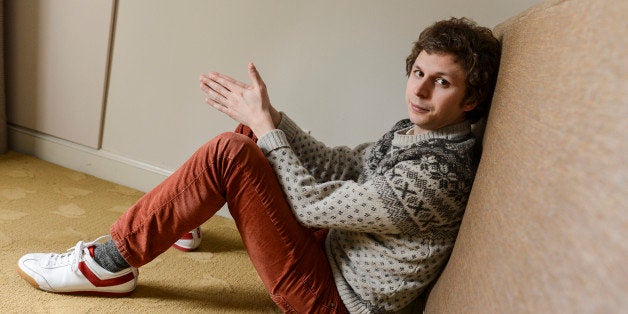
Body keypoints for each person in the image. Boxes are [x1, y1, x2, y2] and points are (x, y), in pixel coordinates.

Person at [17, 17, 500, 312]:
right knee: (251, 134)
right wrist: (269, 119)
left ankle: (109, 266)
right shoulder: (414, 135)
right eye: (419, 72)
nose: (418, 90)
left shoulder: (438, 175)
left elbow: (313, 205)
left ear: (472, 98)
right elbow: (336, 164)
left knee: (234, 153)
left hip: (333, 300)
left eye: (441, 83)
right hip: (335, 252)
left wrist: (267, 129)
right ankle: (182, 215)